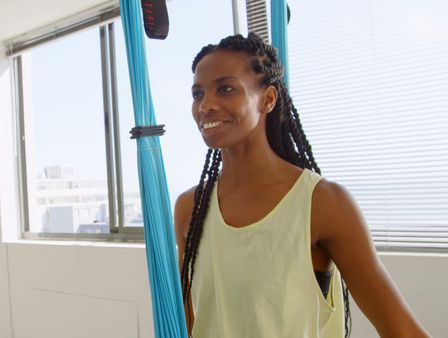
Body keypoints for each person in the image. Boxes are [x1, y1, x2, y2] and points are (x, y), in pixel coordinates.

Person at [174, 33, 429, 338]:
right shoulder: (191, 208)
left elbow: (402, 330)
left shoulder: (322, 203)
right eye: (197, 94)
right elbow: (187, 325)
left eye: (225, 89)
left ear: (268, 99)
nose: (206, 106)